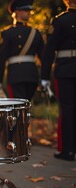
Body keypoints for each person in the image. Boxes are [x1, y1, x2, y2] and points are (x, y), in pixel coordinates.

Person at [41, 0, 76, 161]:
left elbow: (49, 51)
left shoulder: (60, 20)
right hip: (66, 70)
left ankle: (68, 150)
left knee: (67, 110)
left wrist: (44, 76)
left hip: (66, 70)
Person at [0, 0, 44, 100]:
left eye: (29, 10)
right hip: (31, 74)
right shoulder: (35, 33)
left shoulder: (7, 33)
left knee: (18, 106)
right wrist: (45, 77)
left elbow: (1, 59)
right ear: (16, 12)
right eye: (25, 10)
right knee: (27, 105)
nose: (28, 13)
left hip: (16, 75)